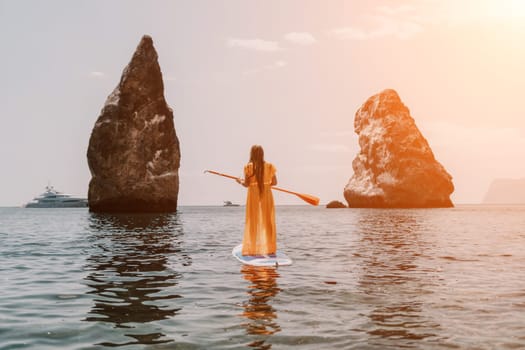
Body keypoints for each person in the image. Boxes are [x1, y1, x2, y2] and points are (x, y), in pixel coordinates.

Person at [236, 145, 277, 256]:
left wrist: (239, 181)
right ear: (262, 154)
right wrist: (265, 183)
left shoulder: (249, 167)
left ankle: (252, 249)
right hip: (267, 194)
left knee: (252, 220)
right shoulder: (269, 166)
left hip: (253, 195)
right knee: (268, 221)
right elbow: (274, 183)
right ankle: (270, 248)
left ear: (252, 154)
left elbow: (247, 184)